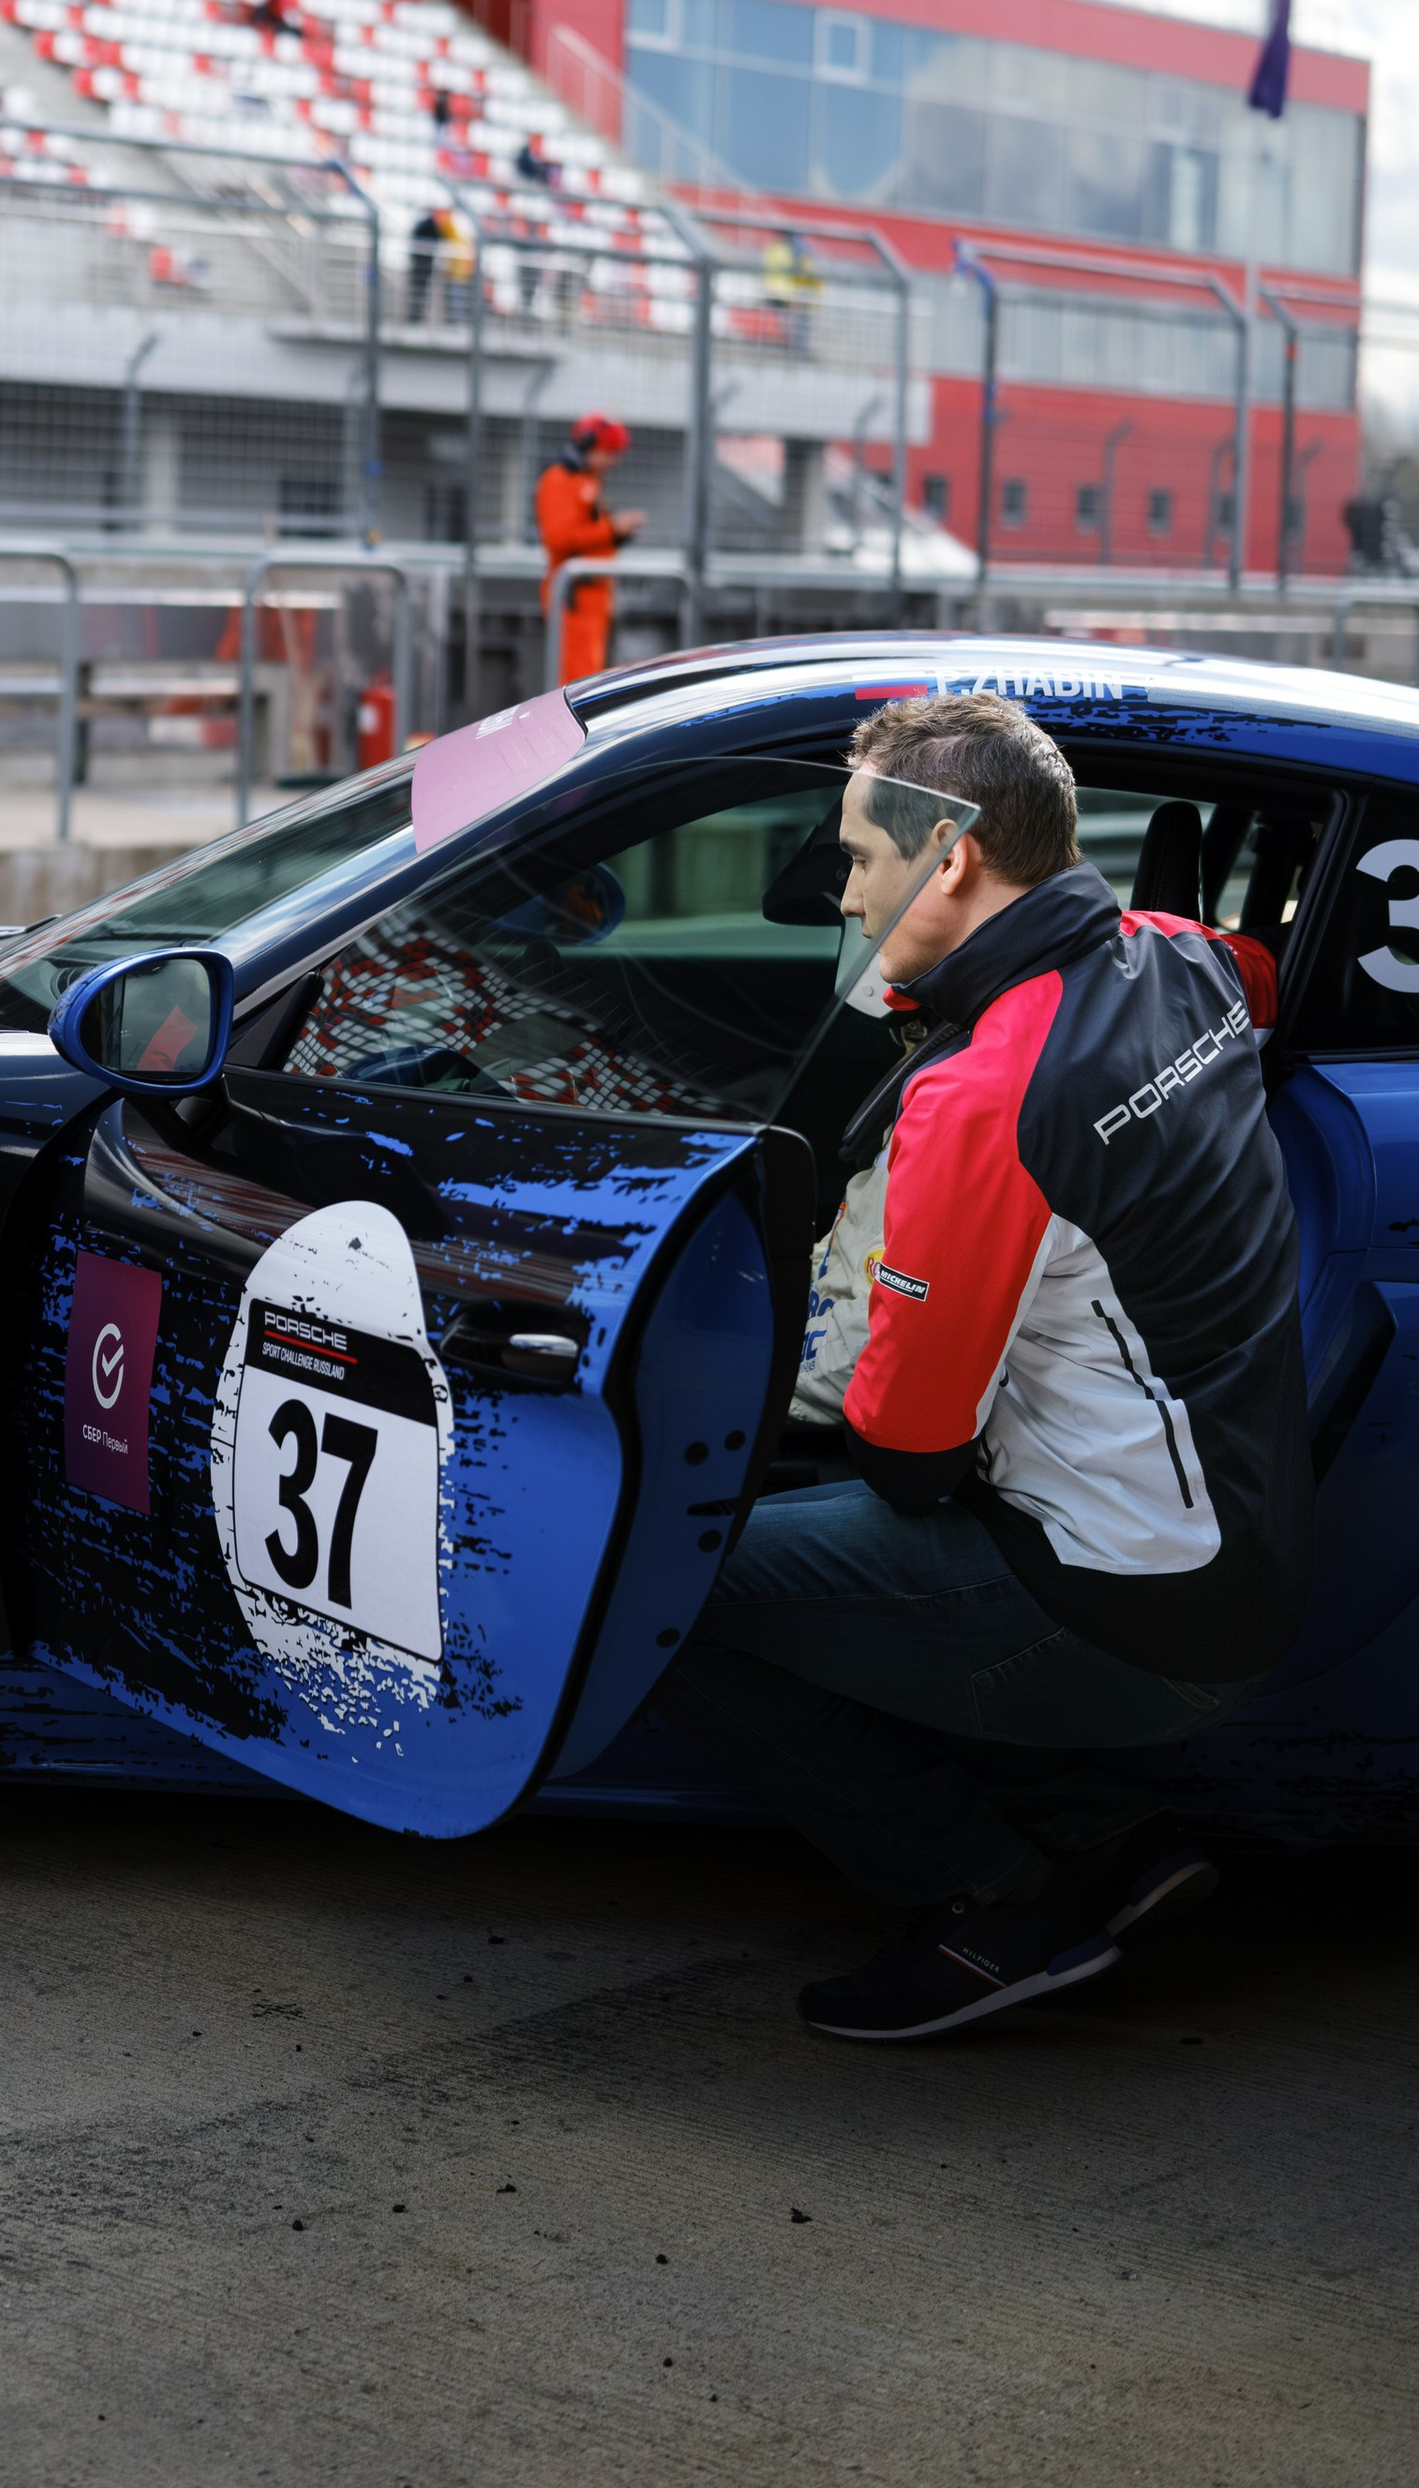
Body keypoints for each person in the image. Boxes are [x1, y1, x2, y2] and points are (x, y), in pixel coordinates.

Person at [658, 691, 1313, 2043]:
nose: (843, 894)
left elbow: (905, 1452)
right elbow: (1265, 967)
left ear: (949, 858)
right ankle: (1112, 1839)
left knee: (665, 1596)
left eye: (857, 857)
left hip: (1131, 1611)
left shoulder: (979, 1095)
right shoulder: (1184, 962)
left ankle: (1000, 1903)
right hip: (1246, 1551)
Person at [535, 415, 641, 681]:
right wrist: (612, 530)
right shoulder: (559, 480)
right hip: (575, 597)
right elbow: (558, 538)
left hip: (593, 595)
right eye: (609, 453)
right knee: (576, 680)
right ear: (589, 445)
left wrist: (615, 535)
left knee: (590, 675)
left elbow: (588, 534)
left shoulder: (588, 480)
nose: (613, 461)